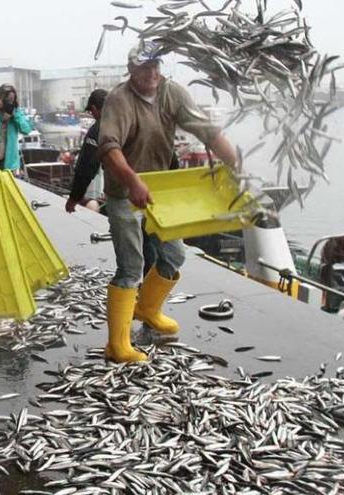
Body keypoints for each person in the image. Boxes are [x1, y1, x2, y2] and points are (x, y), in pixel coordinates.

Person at [96, 44, 237, 363]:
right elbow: (108, 148)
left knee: (174, 255)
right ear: (131, 69)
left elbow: (207, 130)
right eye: (145, 67)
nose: (152, 73)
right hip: (124, 192)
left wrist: (234, 162)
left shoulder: (172, 92)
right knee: (131, 267)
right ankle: (117, 345)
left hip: (160, 190)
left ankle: (147, 309)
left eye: (156, 66)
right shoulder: (119, 100)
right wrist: (132, 182)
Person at [66, 89, 107, 214]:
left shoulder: (97, 130)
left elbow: (87, 166)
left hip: (122, 193)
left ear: (94, 109)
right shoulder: (128, 120)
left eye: (91, 112)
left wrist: (74, 197)